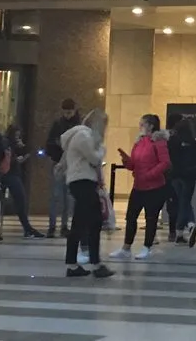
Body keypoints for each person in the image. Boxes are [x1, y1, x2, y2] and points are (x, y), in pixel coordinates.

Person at [60, 109, 113, 278]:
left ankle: (77, 264)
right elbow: (95, 159)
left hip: (81, 181)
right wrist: (102, 149)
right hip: (82, 181)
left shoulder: (81, 135)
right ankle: (93, 264)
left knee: (83, 222)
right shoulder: (83, 136)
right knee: (90, 222)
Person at [110, 114, 170, 261]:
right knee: (131, 216)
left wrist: (149, 174)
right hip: (138, 186)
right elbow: (133, 165)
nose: (140, 126)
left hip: (154, 187)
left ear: (150, 125)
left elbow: (165, 162)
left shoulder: (158, 142)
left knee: (151, 218)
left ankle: (147, 247)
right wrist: (126, 160)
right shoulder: (139, 142)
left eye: (142, 124)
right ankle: (126, 248)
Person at [44, 99, 81, 238]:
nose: (67, 115)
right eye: (65, 112)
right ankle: (52, 226)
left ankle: (64, 225)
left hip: (71, 164)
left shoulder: (78, 125)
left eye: (70, 112)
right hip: (58, 162)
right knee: (56, 195)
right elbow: (49, 142)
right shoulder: (58, 124)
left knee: (68, 197)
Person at [2, 125, 44, 239]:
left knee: (21, 201)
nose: (17, 138)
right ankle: (27, 228)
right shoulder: (6, 143)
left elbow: (27, 151)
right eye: (16, 135)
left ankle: (27, 228)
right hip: (10, 175)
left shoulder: (14, 144)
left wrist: (23, 148)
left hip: (13, 174)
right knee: (20, 199)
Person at [167, 118, 196, 246]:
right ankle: (186, 228)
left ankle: (184, 231)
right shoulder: (194, 143)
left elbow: (169, 157)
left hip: (176, 176)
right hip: (189, 177)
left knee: (182, 203)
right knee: (185, 202)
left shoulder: (172, 141)